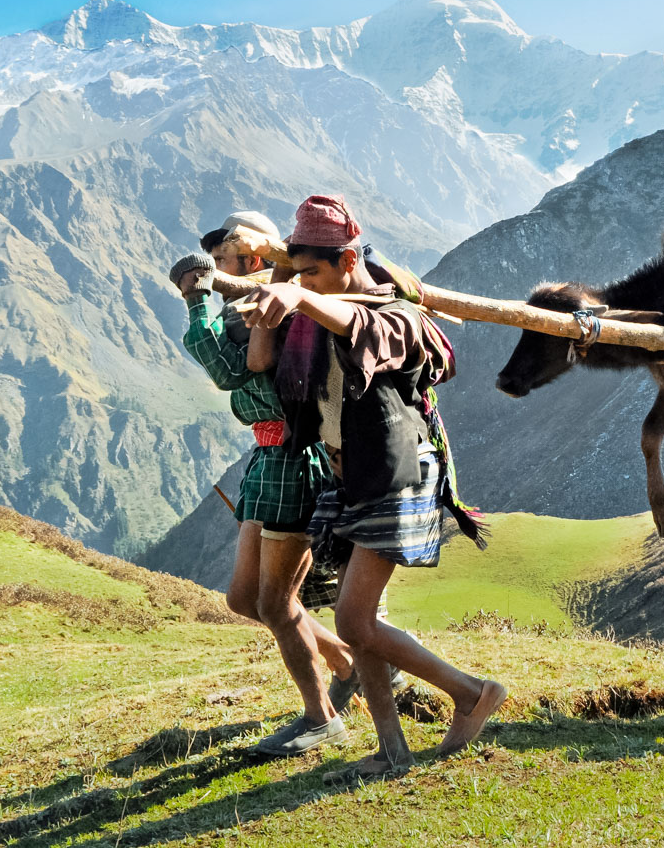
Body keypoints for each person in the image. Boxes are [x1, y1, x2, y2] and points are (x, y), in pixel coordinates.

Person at [244, 194, 504, 778]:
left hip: (396, 473)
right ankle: (392, 749)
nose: (305, 281)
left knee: (354, 621)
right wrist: (286, 281)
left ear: (347, 261)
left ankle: (471, 693)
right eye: (300, 268)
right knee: (354, 620)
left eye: (315, 269)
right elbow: (261, 356)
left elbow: (359, 325)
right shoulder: (310, 313)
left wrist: (300, 294)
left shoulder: (398, 315)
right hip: (349, 472)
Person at [168, 210, 354, 757]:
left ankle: (321, 717)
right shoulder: (256, 310)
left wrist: (195, 297)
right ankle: (350, 661)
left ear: (251, 262)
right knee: (243, 598)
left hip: (293, 459)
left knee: (275, 602)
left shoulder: (262, 313)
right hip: (268, 457)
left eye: (221, 262)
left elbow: (226, 372)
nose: (215, 271)